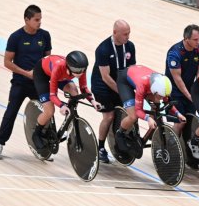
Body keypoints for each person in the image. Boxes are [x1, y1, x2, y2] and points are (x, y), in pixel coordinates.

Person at [0, 5, 52, 160]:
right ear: (26, 19)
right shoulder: (16, 37)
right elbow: (7, 62)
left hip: (38, 83)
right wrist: (26, 73)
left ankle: (44, 148)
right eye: (36, 19)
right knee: (11, 113)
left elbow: (47, 60)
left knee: (47, 113)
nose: (40, 22)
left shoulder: (44, 36)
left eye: (40, 19)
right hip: (20, 83)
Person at [32, 51, 101, 152]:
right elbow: (52, 95)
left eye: (82, 70)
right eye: (77, 70)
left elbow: (84, 88)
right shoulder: (59, 67)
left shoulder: (80, 68)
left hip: (62, 76)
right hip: (42, 74)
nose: (80, 73)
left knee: (74, 92)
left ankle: (68, 119)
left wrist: (93, 101)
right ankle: (36, 134)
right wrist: (61, 106)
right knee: (49, 111)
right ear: (69, 67)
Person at [115, 65, 186, 158]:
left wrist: (178, 114)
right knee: (133, 116)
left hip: (144, 78)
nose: (162, 98)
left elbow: (167, 102)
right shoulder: (142, 86)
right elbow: (138, 110)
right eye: (160, 95)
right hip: (125, 80)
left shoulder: (161, 85)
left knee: (156, 104)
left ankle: (151, 131)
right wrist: (148, 118)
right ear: (154, 91)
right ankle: (119, 133)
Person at [91, 20, 136, 163]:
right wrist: (122, 92)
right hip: (102, 86)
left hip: (120, 84)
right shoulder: (103, 49)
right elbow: (105, 77)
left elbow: (132, 70)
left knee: (130, 112)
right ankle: (101, 147)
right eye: (124, 34)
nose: (127, 37)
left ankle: (121, 138)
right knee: (109, 116)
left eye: (129, 34)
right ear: (115, 32)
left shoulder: (130, 46)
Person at [165, 24, 199, 135]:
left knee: (190, 121)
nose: (198, 42)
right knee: (180, 122)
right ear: (186, 39)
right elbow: (177, 79)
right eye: (195, 39)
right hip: (173, 90)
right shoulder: (175, 53)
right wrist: (189, 96)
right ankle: (171, 147)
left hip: (189, 88)